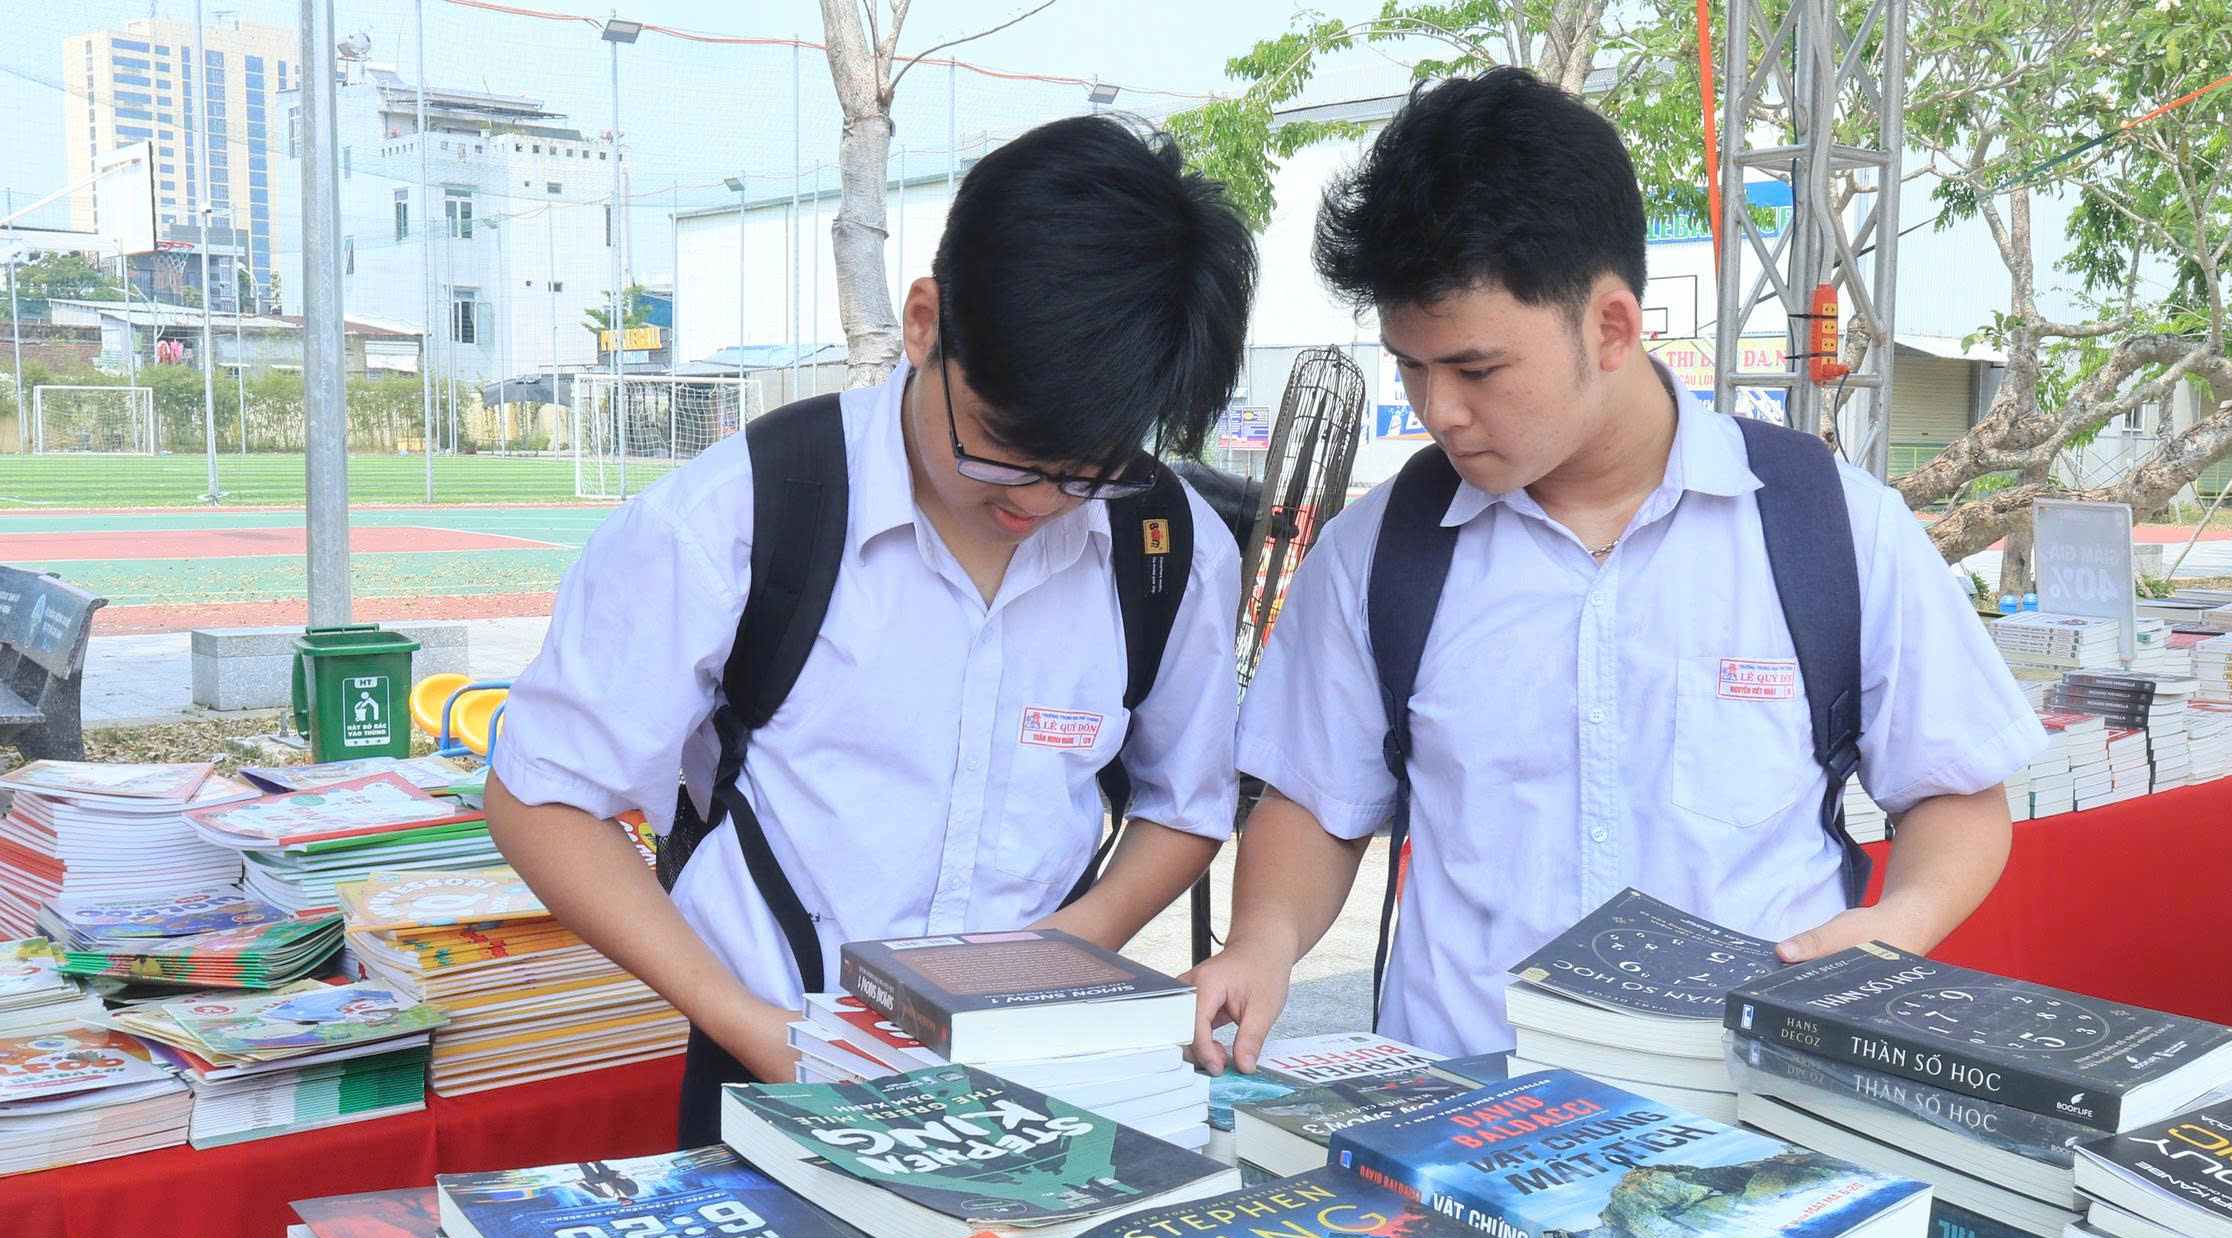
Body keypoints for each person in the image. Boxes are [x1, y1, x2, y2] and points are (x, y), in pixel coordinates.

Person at [1186, 69, 2044, 1068]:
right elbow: (1314, 802)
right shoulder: (1377, 554)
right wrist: (1263, 940)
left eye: (1476, 369)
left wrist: (1899, 924)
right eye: (1410, 366)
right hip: (1457, 1106)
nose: (1438, 410)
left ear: (1612, 326)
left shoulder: (1833, 530)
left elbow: (1953, 793)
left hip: (1747, 1103)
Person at [485, 116, 1255, 1145]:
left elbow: (1186, 802)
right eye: (1002, 449)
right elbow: (544, 795)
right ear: (926, 322)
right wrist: (750, 1025)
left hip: (1043, 1073)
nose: (1036, 501)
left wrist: (1056, 954)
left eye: (1088, 470)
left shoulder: (1166, 546)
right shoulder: (739, 518)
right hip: (771, 1063)